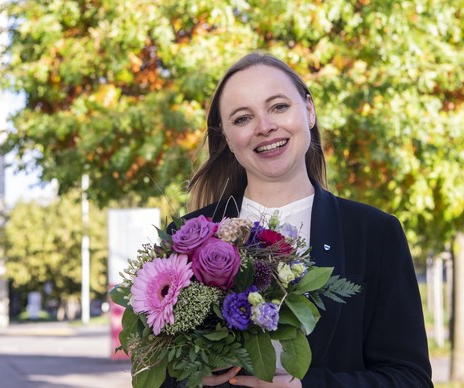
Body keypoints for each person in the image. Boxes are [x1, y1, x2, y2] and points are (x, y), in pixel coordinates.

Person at [165, 51, 433, 387]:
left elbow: (410, 378)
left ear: (308, 110)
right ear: (227, 139)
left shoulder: (374, 233)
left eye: (278, 106)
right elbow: (155, 371)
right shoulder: (187, 237)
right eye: (243, 119)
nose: (265, 127)